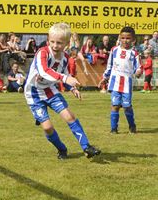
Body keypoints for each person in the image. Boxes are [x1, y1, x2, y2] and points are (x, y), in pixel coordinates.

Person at [24, 22, 101, 160]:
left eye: (59, 43)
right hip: (34, 93)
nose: (54, 45)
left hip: (50, 90)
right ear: (48, 40)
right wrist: (65, 79)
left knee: (70, 116)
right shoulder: (42, 53)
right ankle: (62, 149)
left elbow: (64, 73)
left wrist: (72, 88)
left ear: (66, 43)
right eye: (52, 41)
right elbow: (44, 71)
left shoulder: (65, 58)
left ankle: (86, 147)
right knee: (47, 128)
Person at [100, 26, 142, 134]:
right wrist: (104, 78)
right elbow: (109, 65)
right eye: (123, 38)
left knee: (127, 106)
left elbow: (139, 67)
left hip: (127, 83)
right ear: (120, 38)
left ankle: (132, 126)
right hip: (115, 82)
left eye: (128, 38)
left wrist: (138, 72)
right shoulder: (114, 50)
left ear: (133, 39)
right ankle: (114, 129)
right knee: (115, 105)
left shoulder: (134, 54)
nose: (125, 40)